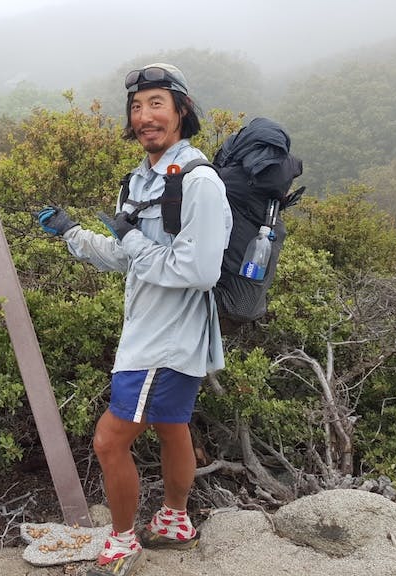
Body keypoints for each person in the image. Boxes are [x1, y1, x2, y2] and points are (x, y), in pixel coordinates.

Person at [35, 63, 232, 576]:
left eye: (157, 104)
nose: (145, 116)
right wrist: (73, 234)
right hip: (154, 328)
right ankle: (174, 522)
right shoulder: (143, 180)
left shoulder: (200, 182)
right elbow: (129, 257)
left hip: (165, 337)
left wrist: (132, 237)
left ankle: (123, 542)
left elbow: (198, 270)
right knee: (171, 426)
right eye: (137, 106)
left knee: (109, 440)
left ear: (182, 111)